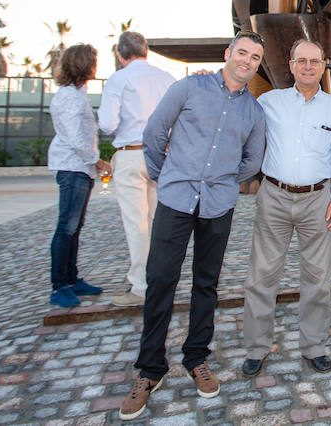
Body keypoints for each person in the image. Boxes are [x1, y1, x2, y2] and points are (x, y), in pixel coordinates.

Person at [120, 32, 266, 421]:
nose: (247, 61)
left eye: (254, 57)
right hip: (175, 199)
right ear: (228, 54)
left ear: (257, 64)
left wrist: (224, 180)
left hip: (218, 205)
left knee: (206, 284)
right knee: (161, 280)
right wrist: (164, 175)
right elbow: (154, 133)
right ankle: (150, 370)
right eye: (242, 53)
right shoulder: (188, 87)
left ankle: (196, 357)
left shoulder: (253, 111)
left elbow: (253, 160)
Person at [241, 39, 331, 377]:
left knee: (316, 279)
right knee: (262, 277)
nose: (307, 67)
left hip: (318, 200)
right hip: (274, 196)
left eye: (314, 61)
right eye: (300, 61)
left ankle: (314, 346)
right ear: (290, 65)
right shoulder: (267, 102)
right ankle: (257, 348)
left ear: (323, 66)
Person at [97, 31, 175, 307]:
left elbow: (107, 123)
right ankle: (159, 278)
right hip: (164, 154)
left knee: (136, 222)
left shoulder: (119, 79)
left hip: (131, 153)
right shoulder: (166, 79)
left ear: (120, 54)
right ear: (146, 51)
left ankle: (141, 286)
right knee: (158, 222)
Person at [47, 44, 111, 308]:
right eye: (94, 62)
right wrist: (97, 161)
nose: (97, 66)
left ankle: (72, 280)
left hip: (79, 168)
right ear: (85, 65)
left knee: (75, 227)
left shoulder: (76, 93)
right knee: (67, 227)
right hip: (73, 167)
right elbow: (76, 138)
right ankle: (59, 286)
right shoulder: (70, 98)